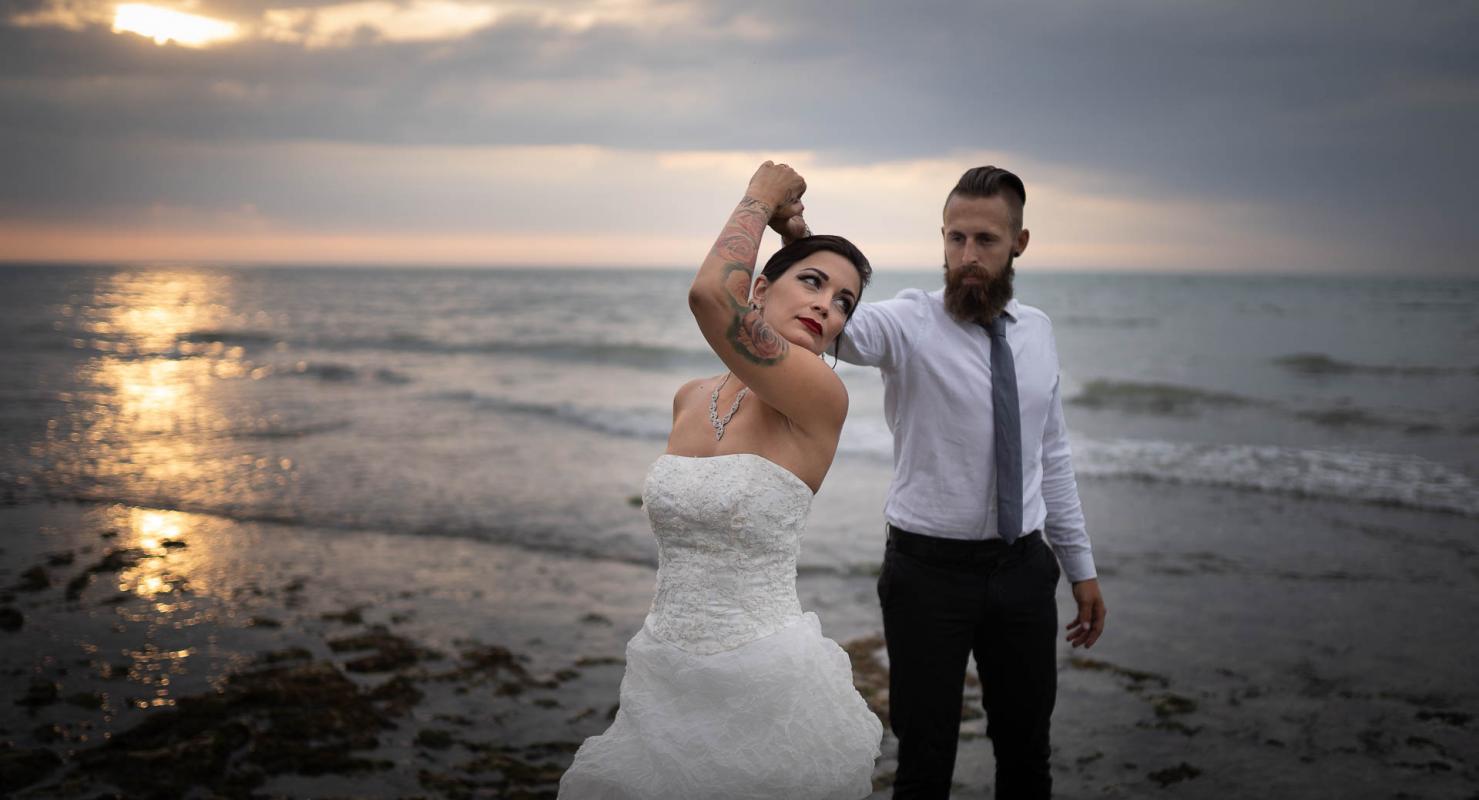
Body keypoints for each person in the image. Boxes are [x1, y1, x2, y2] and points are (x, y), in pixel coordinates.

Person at [557, 161, 883, 799]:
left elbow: (712, 295)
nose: (827, 305)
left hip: (763, 683)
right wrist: (793, 230)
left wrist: (761, 196)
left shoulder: (820, 395)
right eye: (813, 283)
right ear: (760, 289)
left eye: (843, 301)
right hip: (662, 671)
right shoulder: (689, 398)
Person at [834, 166, 1107, 799]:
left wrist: (1080, 568)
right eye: (954, 239)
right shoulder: (909, 322)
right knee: (924, 762)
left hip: (1024, 572)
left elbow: (1052, 455)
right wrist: (801, 242)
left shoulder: (1037, 331)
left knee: (1026, 755)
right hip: (927, 575)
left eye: (984, 240)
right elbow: (833, 321)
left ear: (1020, 242)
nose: (966, 258)